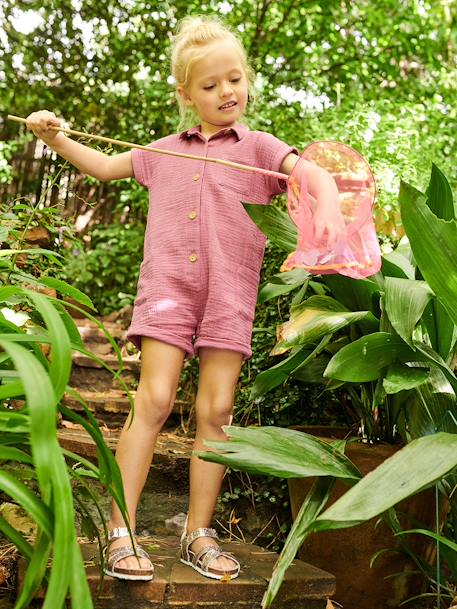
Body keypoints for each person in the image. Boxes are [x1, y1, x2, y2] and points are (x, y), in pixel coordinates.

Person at [26, 14, 343, 583]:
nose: (227, 92)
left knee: (216, 413)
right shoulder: (163, 150)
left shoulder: (263, 149)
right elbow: (102, 167)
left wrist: (329, 206)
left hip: (229, 294)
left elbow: (316, 177)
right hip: (168, 292)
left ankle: (198, 532)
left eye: (235, 79)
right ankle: (121, 529)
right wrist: (55, 136)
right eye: (210, 84)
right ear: (185, 94)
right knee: (153, 399)